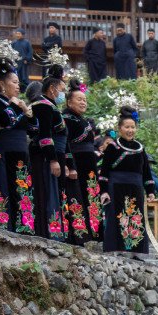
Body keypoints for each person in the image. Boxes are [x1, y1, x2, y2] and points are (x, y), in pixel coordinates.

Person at [0, 43, 36, 235]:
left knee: (21, 190)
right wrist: (19, 108)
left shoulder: (19, 104)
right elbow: (5, 120)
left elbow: (33, 128)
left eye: (18, 82)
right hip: (2, 152)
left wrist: (26, 111)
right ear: (2, 84)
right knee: (2, 189)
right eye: (14, 82)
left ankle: (24, 227)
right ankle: (3, 226)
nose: (18, 86)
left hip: (21, 153)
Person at [98, 107, 155, 253]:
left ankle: (135, 251)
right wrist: (103, 191)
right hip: (116, 187)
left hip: (135, 188)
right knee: (118, 218)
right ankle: (117, 250)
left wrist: (150, 192)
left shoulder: (140, 149)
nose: (130, 130)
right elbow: (104, 172)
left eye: (133, 127)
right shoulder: (112, 147)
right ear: (119, 128)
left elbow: (146, 173)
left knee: (135, 219)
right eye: (127, 127)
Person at [30, 74, 69, 240]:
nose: (63, 94)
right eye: (61, 89)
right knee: (45, 190)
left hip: (54, 154)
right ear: (52, 88)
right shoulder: (43, 105)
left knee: (53, 190)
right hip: (44, 157)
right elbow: (45, 135)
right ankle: (45, 231)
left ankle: (54, 230)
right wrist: (53, 160)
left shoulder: (50, 105)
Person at [63, 78, 102, 243]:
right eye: (79, 99)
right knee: (76, 197)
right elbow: (66, 143)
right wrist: (69, 165)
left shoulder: (84, 120)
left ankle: (96, 233)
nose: (83, 102)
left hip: (89, 165)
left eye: (84, 100)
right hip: (76, 163)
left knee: (91, 197)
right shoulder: (66, 118)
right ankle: (78, 235)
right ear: (69, 101)